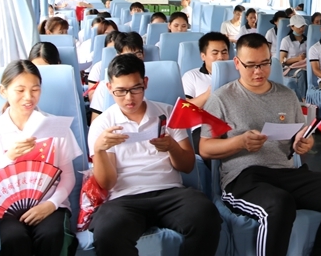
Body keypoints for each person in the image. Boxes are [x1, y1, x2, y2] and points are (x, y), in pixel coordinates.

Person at [199, 34, 321, 256]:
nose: (258, 71)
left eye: (264, 64)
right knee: (280, 204)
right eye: (251, 65)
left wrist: (304, 142)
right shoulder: (221, 99)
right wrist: (239, 142)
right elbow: (205, 149)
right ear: (237, 63)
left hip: (286, 172)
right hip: (244, 177)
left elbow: (299, 135)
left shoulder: (287, 95)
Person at [88, 54, 221, 255]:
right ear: (109, 88)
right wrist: (99, 150)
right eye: (120, 91)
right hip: (125, 198)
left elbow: (187, 166)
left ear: (145, 83)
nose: (129, 98)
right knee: (107, 231)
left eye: (135, 89)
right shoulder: (103, 125)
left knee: (205, 214)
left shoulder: (168, 114)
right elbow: (107, 183)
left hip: (170, 193)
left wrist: (172, 147)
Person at [0, 60, 82, 256]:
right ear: (3, 91)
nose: (28, 97)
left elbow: (68, 177)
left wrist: (51, 204)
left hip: (51, 204)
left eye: (35, 90)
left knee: (51, 234)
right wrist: (9, 157)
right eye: (20, 90)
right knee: (13, 239)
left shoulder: (56, 126)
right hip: (5, 212)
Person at [89, 32, 145, 121]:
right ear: (118, 57)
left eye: (137, 54)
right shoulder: (104, 86)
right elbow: (95, 122)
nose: (133, 61)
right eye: (128, 56)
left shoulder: (160, 79)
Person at [181, 32, 230, 106]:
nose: (220, 57)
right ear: (203, 56)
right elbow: (185, 107)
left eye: (224, 52)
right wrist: (207, 94)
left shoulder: (238, 75)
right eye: (215, 53)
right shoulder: (191, 76)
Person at [279, 14, 308, 101]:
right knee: (302, 73)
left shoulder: (307, 40)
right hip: (289, 68)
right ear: (292, 27)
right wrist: (297, 59)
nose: (301, 29)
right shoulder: (286, 40)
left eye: (303, 26)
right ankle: (303, 99)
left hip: (304, 65)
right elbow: (282, 60)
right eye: (299, 27)